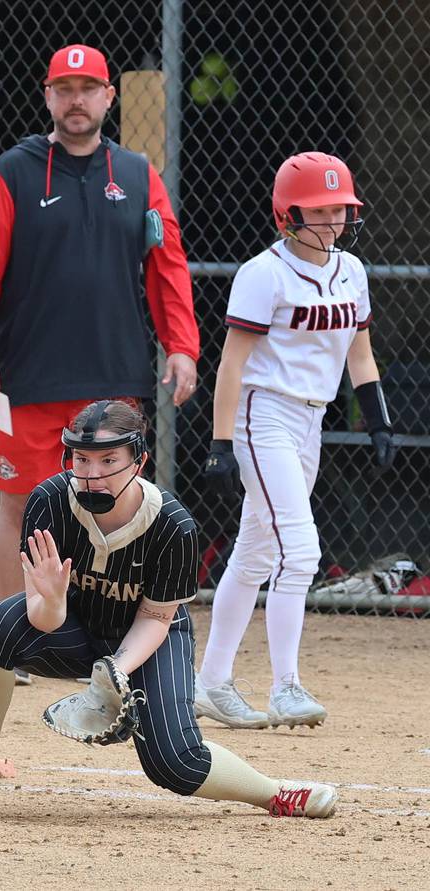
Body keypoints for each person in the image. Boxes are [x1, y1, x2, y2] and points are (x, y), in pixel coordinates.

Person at [0, 400, 337, 819]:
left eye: (109, 459)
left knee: (176, 764)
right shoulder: (50, 502)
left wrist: (116, 670)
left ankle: (276, 793)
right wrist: (54, 601)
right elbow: (41, 616)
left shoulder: (172, 524)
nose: (92, 475)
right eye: (82, 459)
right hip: (74, 627)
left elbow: (156, 618)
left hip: (150, 637)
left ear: (139, 462)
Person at [0, 45, 200, 682]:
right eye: (64, 89)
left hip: (114, 378)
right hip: (28, 380)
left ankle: (115, 649)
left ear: (108, 98)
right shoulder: (10, 173)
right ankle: (19, 642)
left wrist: (182, 345)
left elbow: (167, 267)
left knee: (119, 515)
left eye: (89, 88)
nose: (76, 100)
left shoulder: (140, 175)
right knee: (18, 508)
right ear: (47, 96)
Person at [196, 152, 395, 729]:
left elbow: (359, 352)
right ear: (289, 213)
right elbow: (231, 366)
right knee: (299, 550)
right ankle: (286, 685)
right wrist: (221, 441)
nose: (334, 220)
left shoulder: (350, 270)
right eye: (321, 209)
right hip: (265, 416)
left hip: (312, 420)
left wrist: (378, 419)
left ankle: (211, 683)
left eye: (341, 208)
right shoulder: (264, 274)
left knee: (256, 550)